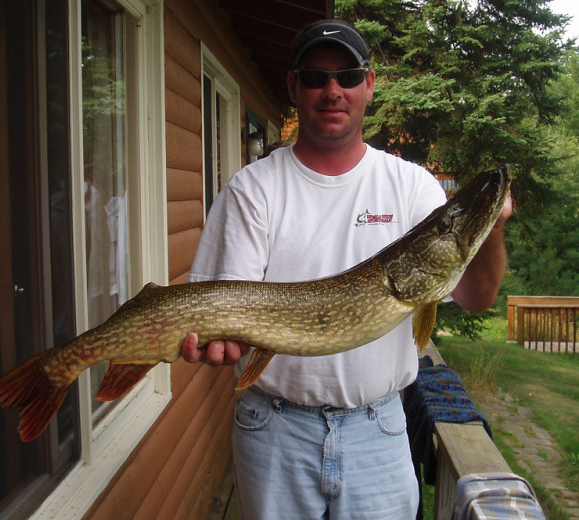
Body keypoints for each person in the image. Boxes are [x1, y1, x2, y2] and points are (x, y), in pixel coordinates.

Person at [181, 19, 512, 520]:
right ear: (293, 87)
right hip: (273, 430)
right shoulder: (253, 189)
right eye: (315, 77)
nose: (332, 90)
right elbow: (227, 313)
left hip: (378, 430)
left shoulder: (412, 186)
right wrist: (222, 341)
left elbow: (477, 298)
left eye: (348, 76)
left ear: (369, 84)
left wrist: (492, 228)